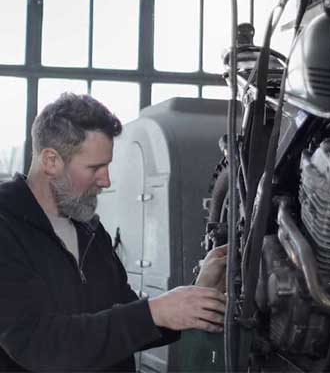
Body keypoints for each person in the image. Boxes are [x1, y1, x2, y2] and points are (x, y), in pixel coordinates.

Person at [0, 93, 227, 372]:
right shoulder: (6, 228)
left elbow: (128, 323)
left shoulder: (90, 230)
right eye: (95, 168)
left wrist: (196, 294)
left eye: (107, 165)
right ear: (50, 161)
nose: (106, 180)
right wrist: (153, 312)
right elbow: (38, 343)